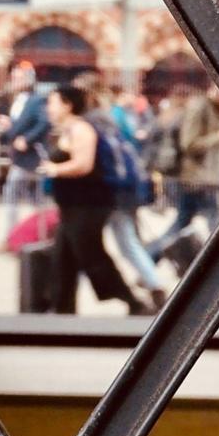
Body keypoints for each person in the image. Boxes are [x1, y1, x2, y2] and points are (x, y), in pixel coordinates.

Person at [38, 85, 152, 315]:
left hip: (89, 204)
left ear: (68, 105)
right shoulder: (69, 129)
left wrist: (55, 169)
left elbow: (84, 164)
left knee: (91, 254)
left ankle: (133, 302)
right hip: (72, 205)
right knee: (64, 254)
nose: (48, 108)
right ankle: (61, 306)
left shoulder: (82, 129)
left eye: (52, 102)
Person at [74, 73, 167, 309]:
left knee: (87, 241)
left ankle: (141, 291)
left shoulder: (92, 120)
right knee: (126, 240)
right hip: (124, 188)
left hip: (108, 191)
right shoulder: (110, 115)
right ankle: (153, 285)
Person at [147, 84, 219, 259]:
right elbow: (189, 143)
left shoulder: (209, 107)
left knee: (183, 221)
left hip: (200, 178)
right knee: (214, 222)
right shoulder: (200, 106)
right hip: (196, 178)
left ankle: (150, 257)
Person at [0, 62, 51, 244]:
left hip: (30, 158)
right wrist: (9, 126)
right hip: (21, 158)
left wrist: (26, 140)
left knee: (11, 194)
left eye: (18, 77)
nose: (14, 80)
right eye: (13, 77)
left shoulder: (36, 100)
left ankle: (11, 239)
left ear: (29, 80)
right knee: (34, 199)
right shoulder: (18, 100)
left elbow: (44, 123)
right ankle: (43, 236)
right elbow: (19, 127)